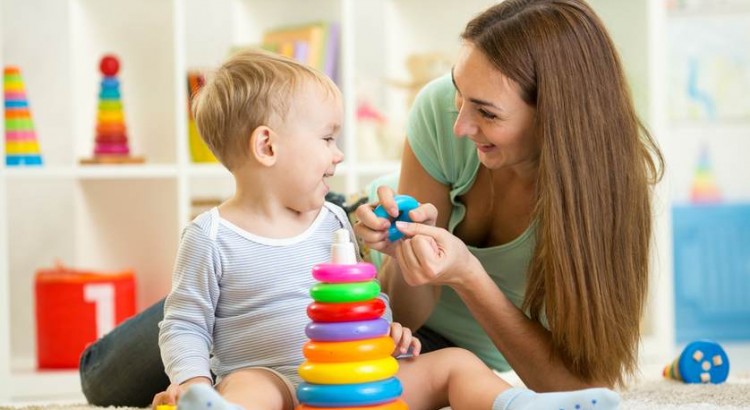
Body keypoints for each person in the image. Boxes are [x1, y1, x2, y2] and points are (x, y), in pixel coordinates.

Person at [151, 48, 621, 410]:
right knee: (248, 388)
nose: (338, 156)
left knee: (455, 365)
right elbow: (185, 324)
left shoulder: (332, 222)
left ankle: (519, 403)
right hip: (277, 384)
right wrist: (192, 382)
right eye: (327, 138)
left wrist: (386, 331)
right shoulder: (210, 237)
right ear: (267, 146)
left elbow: (362, 302)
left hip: (355, 381)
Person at [354, 0, 663, 393]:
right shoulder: (439, 111)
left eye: (487, 113)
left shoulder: (607, 198)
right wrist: (406, 253)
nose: (461, 125)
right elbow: (403, 319)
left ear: (554, 119)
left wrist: (467, 275)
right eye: (459, 93)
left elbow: (586, 389)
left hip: (464, 357)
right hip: (372, 287)